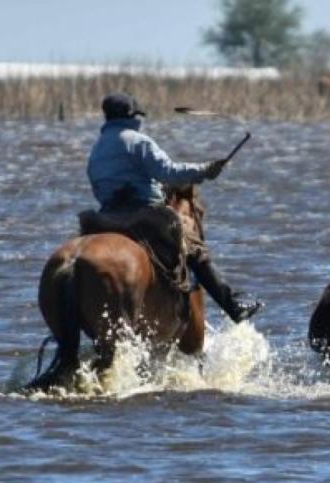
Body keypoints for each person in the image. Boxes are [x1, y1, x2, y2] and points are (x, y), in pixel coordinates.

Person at [86, 92, 263, 323]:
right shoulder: (138, 141)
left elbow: (96, 182)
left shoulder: (97, 147)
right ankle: (232, 305)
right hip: (145, 212)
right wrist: (206, 170)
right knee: (194, 249)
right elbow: (168, 172)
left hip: (107, 215)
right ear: (132, 116)